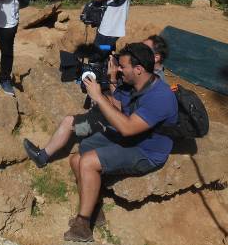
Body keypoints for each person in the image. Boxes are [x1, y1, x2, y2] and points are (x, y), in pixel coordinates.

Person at [64, 43, 178, 242]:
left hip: (147, 151)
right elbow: (118, 107)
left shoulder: (160, 96)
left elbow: (127, 127)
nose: (118, 69)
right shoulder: (133, 83)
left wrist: (98, 97)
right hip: (131, 139)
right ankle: (95, 210)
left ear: (138, 69)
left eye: (122, 67)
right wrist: (109, 81)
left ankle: (83, 226)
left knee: (88, 162)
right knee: (76, 160)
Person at [23, 35, 170, 168]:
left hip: (124, 127)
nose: (138, 50)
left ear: (156, 57)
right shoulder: (135, 72)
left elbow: (121, 109)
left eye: (144, 48)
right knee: (70, 122)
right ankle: (43, 156)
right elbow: (120, 99)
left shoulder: (153, 83)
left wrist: (103, 92)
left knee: (73, 128)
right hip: (114, 115)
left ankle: (44, 156)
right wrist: (109, 80)